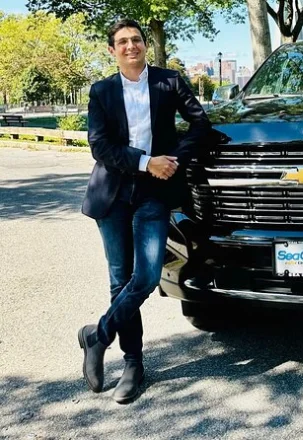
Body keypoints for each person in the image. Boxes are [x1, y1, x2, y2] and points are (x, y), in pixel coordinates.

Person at [77, 19, 211, 403]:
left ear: (144, 45)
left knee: (148, 276)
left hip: (154, 193)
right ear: (112, 50)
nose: (131, 46)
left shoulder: (169, 82)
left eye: (136, 39)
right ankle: (133, 364)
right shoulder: (102, 91)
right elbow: (100, 146)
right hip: (112, 194)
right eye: (122, 42)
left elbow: (200, 124)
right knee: (120, 280)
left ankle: (97, 335)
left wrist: (173, 161)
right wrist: (145, 161)